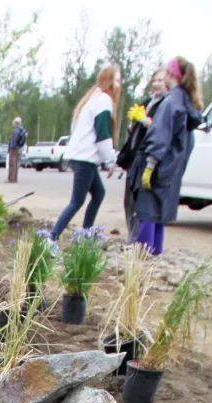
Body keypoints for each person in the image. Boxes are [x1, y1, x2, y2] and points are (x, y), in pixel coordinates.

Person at [133, 56, 203, 255]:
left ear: (172, 74)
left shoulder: (170, 102)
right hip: (172, 167)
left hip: (158, 166)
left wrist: (149, 165)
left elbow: (159, 135)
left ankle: (142, 258)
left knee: (147, 210)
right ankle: (155, 254)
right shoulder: (186, 102)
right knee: (158, 213)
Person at [48, 65, 121, 241]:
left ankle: (86, 234)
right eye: (117, 80)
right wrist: (110, 160)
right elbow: (102, 134)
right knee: (77, 201)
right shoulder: (103, 100)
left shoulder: (92, 99)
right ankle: (52, 238)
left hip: (82, 156)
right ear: (109, 81)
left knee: (98, 193)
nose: (119, 85)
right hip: (85, 158)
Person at [119, 69, 167, 240]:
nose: (156, 84)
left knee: (143, 204)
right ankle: (132, 237)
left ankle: (139, 243)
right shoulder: (147, 103)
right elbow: (134, 131)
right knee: (129, 200)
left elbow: (162, 131)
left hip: (149, 158)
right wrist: (133, 123)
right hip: (134, 157)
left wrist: (145, 121)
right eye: (154, 80)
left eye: (160, 80)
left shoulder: (165, 106)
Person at [7, 116, 27, 183]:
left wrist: (11, 149)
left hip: (14, 149)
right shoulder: (21, 130)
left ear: (15, 123)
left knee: (12, 163)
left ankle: (11, 179)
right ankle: (14, 178)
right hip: (18, 148)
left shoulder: (16, 131)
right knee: (15, 164)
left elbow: (13, 141)